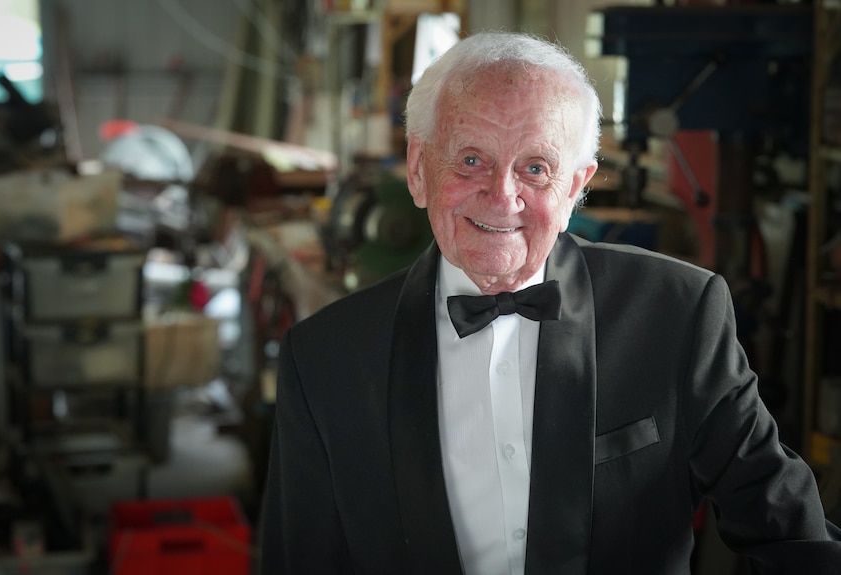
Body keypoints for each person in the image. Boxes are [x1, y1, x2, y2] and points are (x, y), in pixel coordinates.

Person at [259, 31, 841, 574]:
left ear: (575, 188)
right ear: (418, 170)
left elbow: (783, 525)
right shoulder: (324, 359)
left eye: (535, 168)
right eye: (470, 160)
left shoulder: (677, 311)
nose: (501, 194)